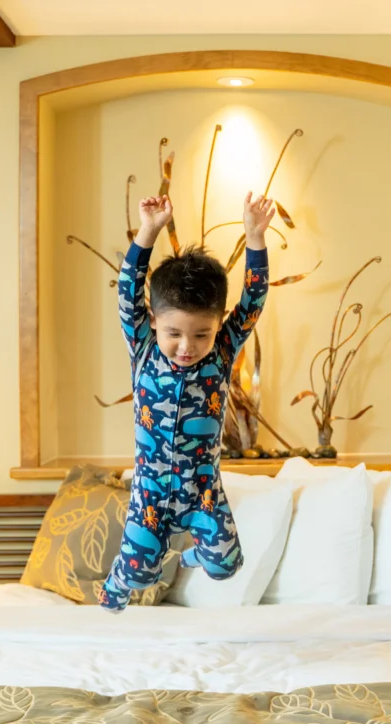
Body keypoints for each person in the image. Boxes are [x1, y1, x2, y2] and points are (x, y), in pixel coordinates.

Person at [99, 191, 275, 612]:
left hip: (203, 493)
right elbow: (127, 293)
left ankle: (190, 555)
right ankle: (113, 592)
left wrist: (255, 237)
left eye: (201, 334)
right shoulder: (142, 346)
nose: (186, 347)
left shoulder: (222, 353)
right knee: (140, 573)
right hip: (150, 495)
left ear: (217, 327)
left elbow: (252, 302)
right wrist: (149, 230)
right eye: (174, 333)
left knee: (226, 565)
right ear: (154, 321)